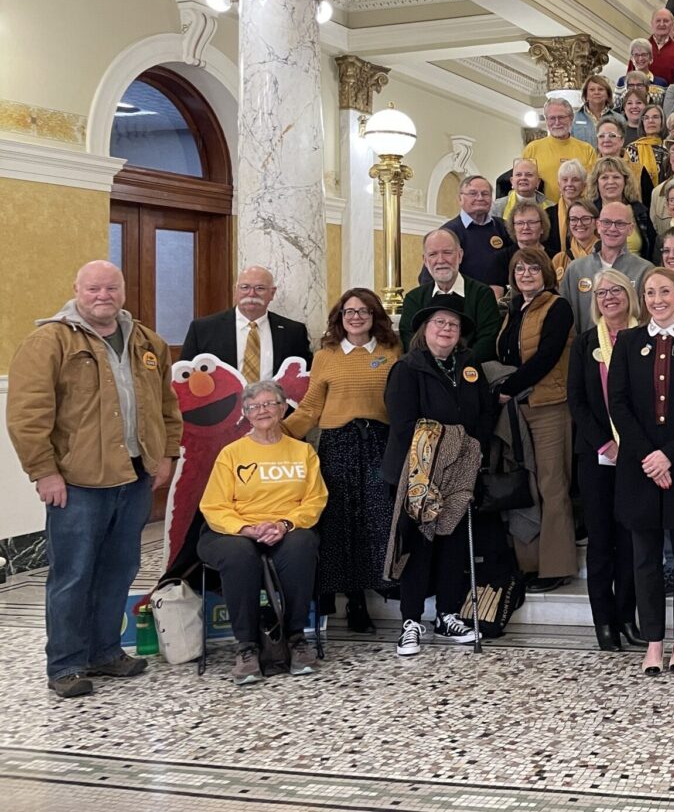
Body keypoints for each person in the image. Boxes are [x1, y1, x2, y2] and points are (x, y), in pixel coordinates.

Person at [7, 261, 181, 698]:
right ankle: (66, 663)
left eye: (111, 288)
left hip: (134, 478)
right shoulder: (49, 341)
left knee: (120, 569)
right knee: (72, 575)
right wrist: (43, 471)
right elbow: (27, 416)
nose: (103, 295)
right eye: (93, 289)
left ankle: (105, 651)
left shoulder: (147, 341)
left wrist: (167, 454)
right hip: (77, 482)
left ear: (122, 291)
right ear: (77, 291)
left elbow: (167, 405)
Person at [607, 268, 674, 676]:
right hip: (639, 468)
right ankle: (654, 640)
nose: (657, 298)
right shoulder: (629, 342)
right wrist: (649, 458)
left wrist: (668, 455)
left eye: (664, 291)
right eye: (650, 292)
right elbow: (617, 403)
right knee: (645, 558)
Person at [381, 296, 497, 657]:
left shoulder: (468, 366)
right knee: (419, 545)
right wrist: (445, 446)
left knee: (453, 544)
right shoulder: (408, 368)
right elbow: (403, 424)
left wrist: (468, 451)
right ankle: (411, 621)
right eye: (439, 323)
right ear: (424, 330)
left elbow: (483, 413)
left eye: (453, 325)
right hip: (419, 472)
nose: (446, 330)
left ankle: (448, 613)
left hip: (460, 470)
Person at [283, 287, 401, 634]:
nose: (356, 317)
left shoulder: (391, 349)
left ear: (375, 315)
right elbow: (310, 407)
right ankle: (353, 601)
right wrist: (277, 434)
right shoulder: (327, 354)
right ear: (340, 317)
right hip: (338, 445)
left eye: (364, 311)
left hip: (380, 443)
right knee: (340, 523)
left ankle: (382, 584)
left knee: (377, 519)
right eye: (350, 311)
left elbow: (400, 398)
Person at [199, 380, 328, 684]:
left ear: (283, 408)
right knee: (239, 554)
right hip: (235, 531)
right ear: (246, 414)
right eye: (254, 406)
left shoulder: (303, 452)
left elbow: (315, 499)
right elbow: (214, 506)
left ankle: (296, 639)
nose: (263, 411)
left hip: (287, 528)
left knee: (302, 546)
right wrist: (245, 529)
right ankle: (246, 647)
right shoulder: (231, 454)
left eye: (270, 404)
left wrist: (284, 525)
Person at [567, 268, 645, 652]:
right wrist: (604, 443)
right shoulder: (584, 344)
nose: (609, 298)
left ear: (630, 294)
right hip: (596, 455)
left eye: (616, 290)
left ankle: (627, 616)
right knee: (601, 540)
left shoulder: (645, 339)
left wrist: (634, 445)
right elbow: (577, 401)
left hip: (636, 455)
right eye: (601, 293)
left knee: (632, 538)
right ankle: (604, 622)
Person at [494, 247, 576, 592]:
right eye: (519, 269)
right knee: (525, 486)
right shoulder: (514, 309)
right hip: (518, 407)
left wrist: (508, 387)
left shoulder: (558, 307)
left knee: (551, 485)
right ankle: (529, 564)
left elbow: (546, 357)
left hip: (548, 405)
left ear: (546, 272)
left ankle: (557, 566)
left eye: (532, 269)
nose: (525, 274)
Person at [181, 265, 313, 382]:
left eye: (260, 288)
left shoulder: (294, 332)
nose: (252, 293)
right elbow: (184, 377)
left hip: (276, 408)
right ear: (235, 291)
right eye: (245, 287)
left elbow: (304, 378)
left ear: (272, 293)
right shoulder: (202, 329)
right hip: (220, 409)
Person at [399, 228, 503, 360]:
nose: (441, 260)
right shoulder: (413, 298)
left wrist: (458, 366)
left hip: (471, 370)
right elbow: (410, 341)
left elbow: (488, 340)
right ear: (425, 261)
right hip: (426, 372)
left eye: (447, 252)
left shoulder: (482, 294)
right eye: (433, 254)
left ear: (460, 255)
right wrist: (435, 369)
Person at [561, 201, 654, 333]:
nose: (612, 228)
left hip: (631, 350)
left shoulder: (645, 270)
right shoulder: (575, 269)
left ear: (630, 229)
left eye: (620, 223)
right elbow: (564, 319)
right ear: (598, 225)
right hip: (585, 350)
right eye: (606, 222)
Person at [424, 175, 512, 293]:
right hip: (464, 305)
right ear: (460, 199)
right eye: (473, 193)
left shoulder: (504, 227)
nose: (480, 198)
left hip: (501, 304)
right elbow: (428, 277)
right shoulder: (449, 233)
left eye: (485, 194)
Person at [586, 154, 655, 259]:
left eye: (616, 177)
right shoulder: (588, 213)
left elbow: (651, 248)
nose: (611, 182)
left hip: (637, 271)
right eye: (604, 177)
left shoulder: (640, 212)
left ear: (625, 181)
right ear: (596, 183)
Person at [525, 98, 597, 196]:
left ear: (571, 118)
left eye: (561, 117)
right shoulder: (532, 149)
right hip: (542, 210)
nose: (557, 122)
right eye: (552, 118)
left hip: (577, 209)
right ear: (546, 120)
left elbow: (591, 186)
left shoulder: (587, 150)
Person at [552, 198, 598, 277]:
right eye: (573, 219)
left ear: (597, 223)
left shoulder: (609, 255)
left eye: (585, 219)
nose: (579, 224)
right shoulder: (560, 260)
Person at [571, 75, 614, 147]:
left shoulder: (618, 119)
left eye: (600, 89)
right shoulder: (573, 119)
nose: (596, 92)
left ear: (607, 95)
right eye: (592, 90)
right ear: (586, 95)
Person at [647, 8, 674, 84]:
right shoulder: (640, 47)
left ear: (672, 25)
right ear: (652, 23)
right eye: (658, 21)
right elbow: (630, 76)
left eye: (666, 21)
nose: (662, 24)